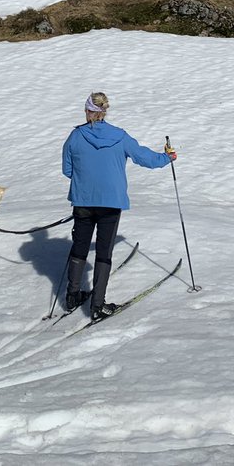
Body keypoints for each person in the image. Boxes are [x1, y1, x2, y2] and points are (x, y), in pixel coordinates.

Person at [61, 91, 176, 321]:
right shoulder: (119, 137)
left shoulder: (75, 137)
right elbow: (143, 157)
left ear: (87, 111)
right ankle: (97, 306)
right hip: (110, 203)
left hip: (83, 201)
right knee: (104, 251)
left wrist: (85, 181)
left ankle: (72, 296)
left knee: (80, 246)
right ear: (104, 111)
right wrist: (167, 158)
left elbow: (67, 170)